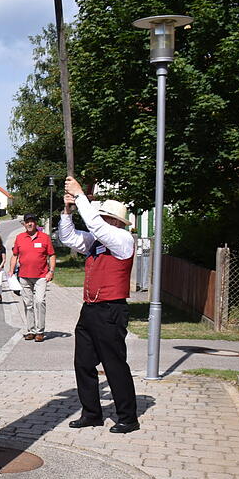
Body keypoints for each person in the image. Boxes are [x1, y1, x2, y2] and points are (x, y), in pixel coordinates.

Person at [60, 177, 140, 434]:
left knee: (114, 364)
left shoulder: (122, 239)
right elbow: (68, 237)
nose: (102, 220)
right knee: (83, 362)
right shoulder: (98, 242)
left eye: (106, 217)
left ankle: (128, 417)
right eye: (102, 216)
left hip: (111, 310)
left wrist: (80, 195)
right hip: (91, 309)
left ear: (116, 222)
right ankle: (92, 413)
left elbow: (95, 225)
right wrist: (67, 211)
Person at [9, 213, 56, 342]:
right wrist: (11, 270)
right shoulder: (19, 238)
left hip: (41, 275)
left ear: (36, 223)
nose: (30, 224)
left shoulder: (45, 238)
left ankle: (40, 331)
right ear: (24, 224)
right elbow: (14, 255)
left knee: (39, 301)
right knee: (28, 303)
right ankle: (31, 330)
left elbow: (51, 255)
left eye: (32, 221)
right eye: (27, 222)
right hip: (24, 276)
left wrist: (51, 271)